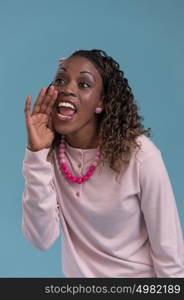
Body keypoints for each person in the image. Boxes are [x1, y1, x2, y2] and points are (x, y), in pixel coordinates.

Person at [22, 49, 184, 278]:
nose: (67, 89)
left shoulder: (141, 156)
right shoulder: (50, 155)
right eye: (60, 80)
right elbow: (41, 239)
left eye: (84, 84)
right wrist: (36, 154)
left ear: (101, 102)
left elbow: (170, 252)